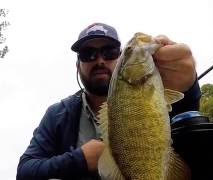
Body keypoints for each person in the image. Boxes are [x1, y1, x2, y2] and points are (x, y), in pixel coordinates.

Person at [16, 22, 201, 180]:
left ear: (120, 58)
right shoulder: (58, 114)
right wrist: (79, 160)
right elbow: (25, 170)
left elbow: (188, 125)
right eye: (88, 54)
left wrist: (189, 87)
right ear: (77, 65)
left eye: (109, 52)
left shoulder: (154, 90)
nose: (100, 60)